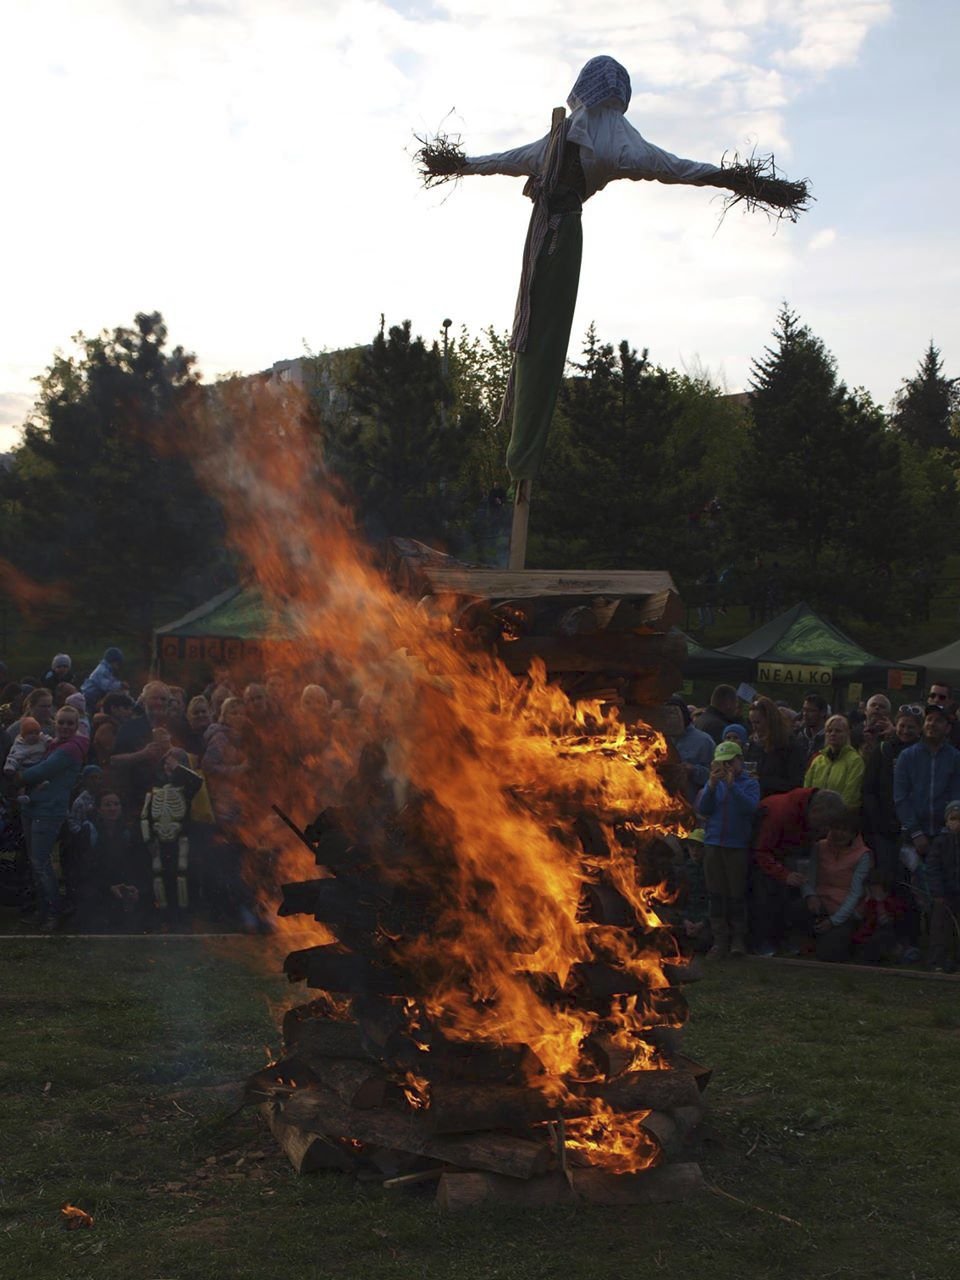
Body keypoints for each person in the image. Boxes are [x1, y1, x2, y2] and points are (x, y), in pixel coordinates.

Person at [13, 704, 88, 929]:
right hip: (33, 807)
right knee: (37, 863)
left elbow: (42, 770)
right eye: (62, 722)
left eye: (70, 723)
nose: (65, 726)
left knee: (41, 862)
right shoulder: (53, 744)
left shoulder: (70, 749)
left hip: (49, 811)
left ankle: (53, 912)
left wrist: (17, 778)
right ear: (55, 722)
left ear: (76, 726)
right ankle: (43, 910)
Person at [750, 787, 848, 956]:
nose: (825, 830)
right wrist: (784, 874)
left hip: (788, 855)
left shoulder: (807, 817)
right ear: (816, 811)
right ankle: (762, 940)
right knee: (767, 891)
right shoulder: (780, 814)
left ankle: (788, 938)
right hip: (764, 857)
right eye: (824, 824)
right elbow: (761, 851)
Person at [695, 740, 760, 958]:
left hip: (737, 845)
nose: (726, 767)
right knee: (716, 894)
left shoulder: (750, 783)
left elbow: (751, 808)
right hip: (714, 843)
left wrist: (733, 787)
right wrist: (712, 787)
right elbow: (703, 809)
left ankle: (738, 939)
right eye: (722, 763)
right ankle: (719, 939)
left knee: (736, 894)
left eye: (730, 762)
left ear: (739, 760)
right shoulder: (714, 783)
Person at [801, 808, 872, 962]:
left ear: (854, 833)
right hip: (819, 903)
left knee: (830, 955)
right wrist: (810, 895)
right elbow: (809, 877)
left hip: (844, 910)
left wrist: (834, 921)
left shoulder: (863, 855)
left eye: (845, 830)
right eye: (836, 828)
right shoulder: (819, 846)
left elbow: (855, 893)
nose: (839, 833)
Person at [862, 708, 922, 887]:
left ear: (920, 729)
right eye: (902, 725)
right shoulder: (883, 750)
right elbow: (868, 788)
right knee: (887, 876)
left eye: (911, 727)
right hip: (885, 826)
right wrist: (878, 820)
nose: (905, 731)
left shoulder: (925, 754)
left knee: (911, 878)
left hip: (914, 828)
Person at [894, 703, 960, 860]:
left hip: (945, 834)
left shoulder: (955, 758)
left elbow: (956, 795)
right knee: (913, 881)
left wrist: (948, 829)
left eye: (938, 720)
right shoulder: (907, 756)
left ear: (948, 728)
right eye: (929, 719)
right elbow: (900, 797)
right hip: (912, 834)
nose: (932, 724)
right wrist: (916, 832)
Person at [745, 696, 807, 797]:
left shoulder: (790, 746)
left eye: (757, 722)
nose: (754, 727)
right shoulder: (752, 745)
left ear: (770, 720)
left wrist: (763, 780)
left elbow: (795, 783)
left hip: (779, 802)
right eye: (751, 722)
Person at [803, 715, 865, 811]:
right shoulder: (817, 760)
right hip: (815, 815)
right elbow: (807, 790)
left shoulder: (855, 761)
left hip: (840, 818)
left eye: (838, 731)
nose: (833, 734)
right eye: (829, 731)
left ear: (847, 733)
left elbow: (851, 795)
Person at [926, 800, 960, 972]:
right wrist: (938, 892)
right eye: (954, 818)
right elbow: (933, 868)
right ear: (947, 821)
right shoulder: (940, 842)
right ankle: (937, 961)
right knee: (940, 927)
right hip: (944, 895)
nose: (957, 823)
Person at [663, 694, 715, 806]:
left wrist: (692, 770)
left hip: (692, 807)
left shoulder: (703, 741)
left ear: (684, 715)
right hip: (661, 805)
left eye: (674, 714)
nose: (671, 719)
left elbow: (714, 776)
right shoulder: (657, 740)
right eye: (667, 714)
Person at [81, 646, 126, 713]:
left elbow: (111, 681)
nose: (118, 666)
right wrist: (120, 685)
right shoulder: (102, 670)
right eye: (118, 663)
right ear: (113, 661)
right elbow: (107, 686)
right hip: (90, 698)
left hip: (95, 697)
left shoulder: (107, 670)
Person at [796, 693, 828, 761]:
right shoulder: (799, 735)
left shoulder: (829, 738)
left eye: (811, 711)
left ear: (823, 712)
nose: (805, 714)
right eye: (804, 710)